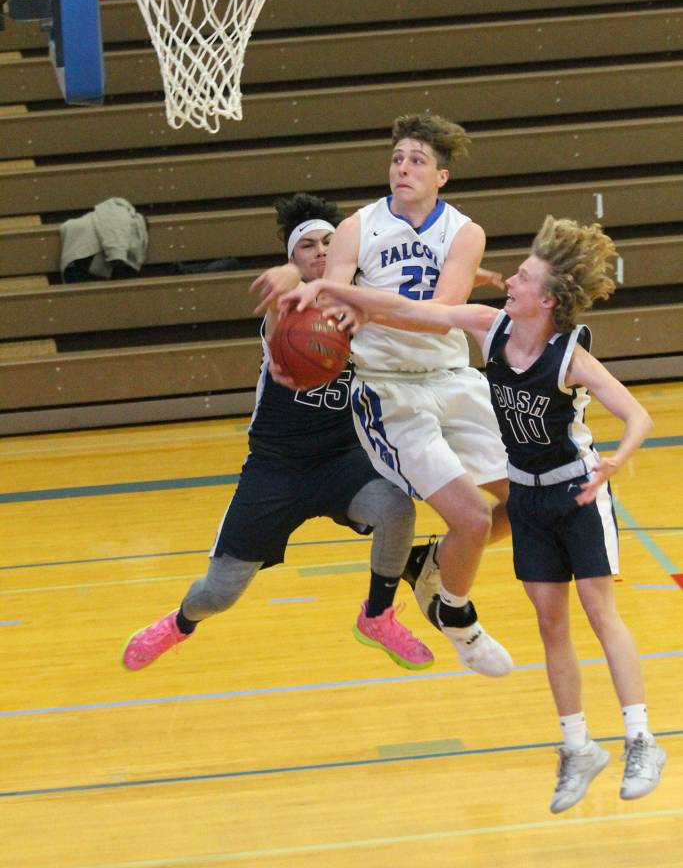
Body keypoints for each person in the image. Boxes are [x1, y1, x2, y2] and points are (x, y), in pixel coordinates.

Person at [287, 214, 667, 812]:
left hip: (576, 494)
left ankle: (641, 738)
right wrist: (328, 289)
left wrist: (616, 460)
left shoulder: (569, 355)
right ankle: (577, 747)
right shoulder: (489, 328)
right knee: (551, 625)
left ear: (546, 298)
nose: (509, 281)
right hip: (529, 497)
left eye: (522, 277)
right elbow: (416, 312)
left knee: (601, 616)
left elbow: (638, 415)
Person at [122, 193, 434, 674]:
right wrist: (292, 274)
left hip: (341, 459)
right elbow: (287, 287)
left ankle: (377, 615)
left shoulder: (366, 306)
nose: (320, 251)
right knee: (219, 592)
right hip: (275, 469)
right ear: (292, 258)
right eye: (306, 246)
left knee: (396, 508)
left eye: (330, 241)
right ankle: (180, 623)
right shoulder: (285, 310)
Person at [296, 112, 514, 678]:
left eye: (417, 160)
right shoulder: (357, 227)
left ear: (441, 176)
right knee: (471, 517)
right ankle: (459, 622)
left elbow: (443, 319)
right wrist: (336, 316)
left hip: (455, 380)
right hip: (390, 393)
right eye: (397, 158)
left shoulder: (464, 233)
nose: (403, 167)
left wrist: (365, 303)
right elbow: (335, 297)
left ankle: (431, 565)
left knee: (526, 504)